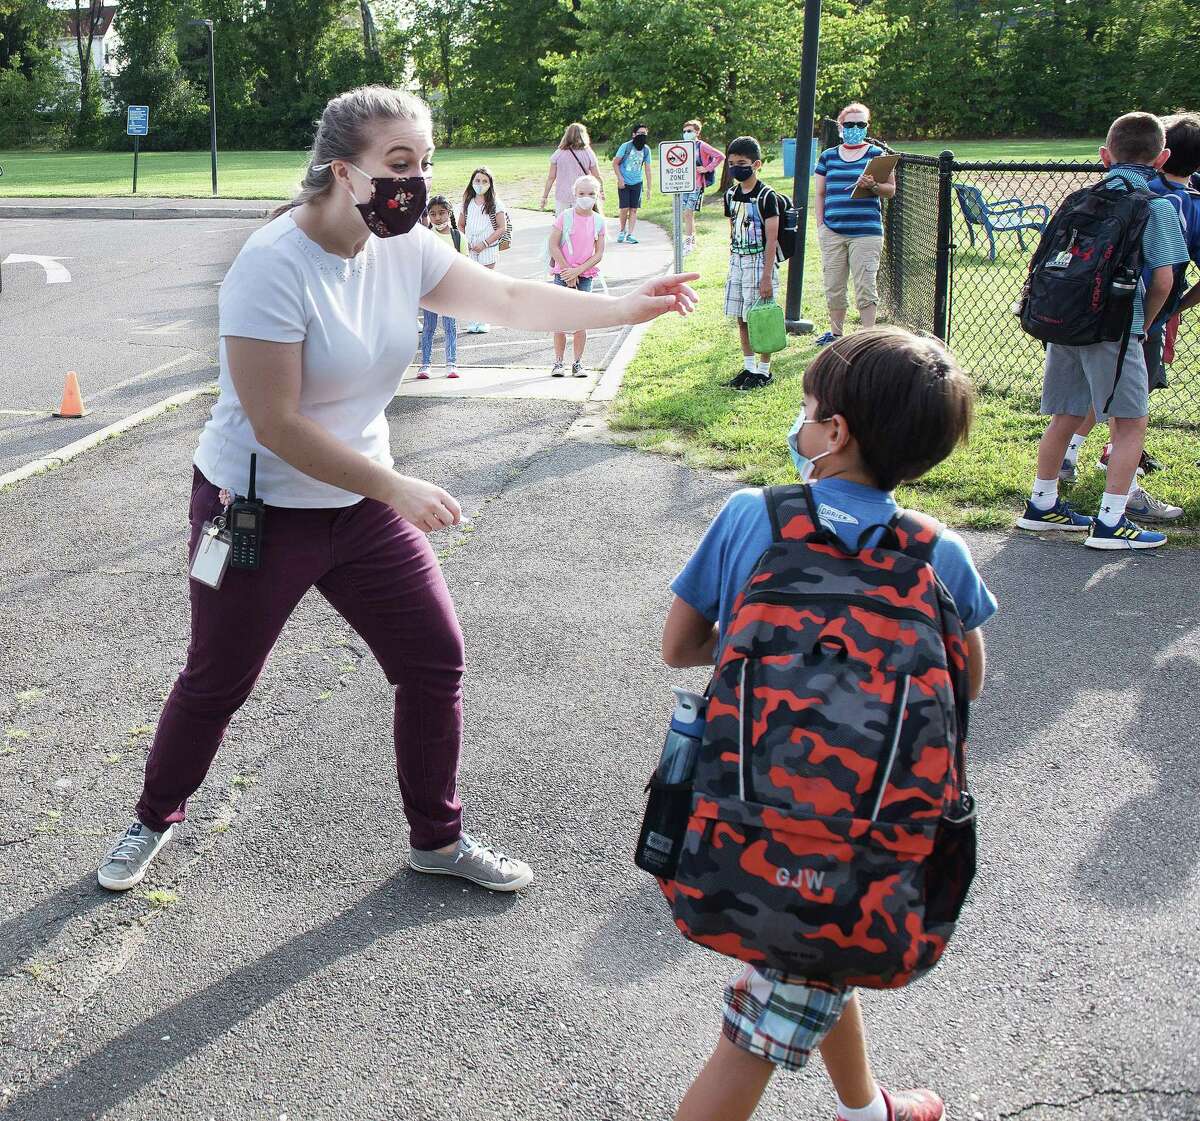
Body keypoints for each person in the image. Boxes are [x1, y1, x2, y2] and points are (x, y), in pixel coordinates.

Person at [95, 85, 699, 895]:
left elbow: (512, 297)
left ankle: (437, 839)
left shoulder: (404, 245)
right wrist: (396, 486)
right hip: (260, 510)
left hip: (361, 507)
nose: (416, 182)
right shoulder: (272, 265)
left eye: (426, 163)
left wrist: (624, 304)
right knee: (218, 679)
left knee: (433, 658)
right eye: (399, 164)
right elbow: (276, 423)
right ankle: (154, 816)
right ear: (342, 171)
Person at [663, 327, 995, 1121]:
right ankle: (867, 1109)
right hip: (868, 840)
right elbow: (969, 679)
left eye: (810, 409)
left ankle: (867, 1109)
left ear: (836, 432)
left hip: (744, 824)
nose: (802, 422)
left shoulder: (754, 516)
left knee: (769, 1015)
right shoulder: (935, 551)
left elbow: (679, 645)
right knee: (812, 963)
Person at [1017, 111, 1190, 549]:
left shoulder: (1077, 198)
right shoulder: (1155, 206)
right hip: (1114, 329)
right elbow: (1165, 282)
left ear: (1105, 155)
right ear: (1162, 156)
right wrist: (1144, 326)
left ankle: (1042, 504)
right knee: (1131, 422)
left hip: (1065, 323)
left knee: (1067, 414)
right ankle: (1111, 522)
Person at [1058, 110, 1200, 523]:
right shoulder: (1173, 204)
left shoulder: (1116, 187)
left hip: (1084, 312)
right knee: (1131, 409)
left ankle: (1066, 460)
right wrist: (1169, 311)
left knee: (1089, 391)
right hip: (1140, 318)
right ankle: (1120, 499)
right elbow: (1162, 280)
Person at [812, 103, 896, 348]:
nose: (855, 129)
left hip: (866, 233)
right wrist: (821, 226)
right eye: (850, 125)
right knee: (834, 286)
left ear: (867, 127)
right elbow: (820, 193)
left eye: (861, 124)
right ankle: (836, 335)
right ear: (841, 127)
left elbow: (890, 191)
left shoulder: (877, 156)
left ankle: (868, 338)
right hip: (833, 231)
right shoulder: (828, 156)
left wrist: (873, 186)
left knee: (865, 285)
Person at [722, 136, 783, 391]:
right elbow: (732, 228)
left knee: (762, 315)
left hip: (759, 261)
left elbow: (772, 239)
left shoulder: (767, 197)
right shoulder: (731, 194)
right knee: (741, 316)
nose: (737, 168)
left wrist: (766, 276)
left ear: (756, 164)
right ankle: (748, 367)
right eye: (732, 163)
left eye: (743, 163)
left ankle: (764, 370)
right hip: (738, 259)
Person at [548, 174, 606, 378]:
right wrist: (566, 271)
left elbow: (598, 254)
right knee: (560, 320)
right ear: (574, 194)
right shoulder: (565, 217)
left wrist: (577, 272)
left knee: (581, 321)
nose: (586, 197)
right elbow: (553, 246)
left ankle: (578, 363)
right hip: (562, 274)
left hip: (585, 275)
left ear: (597, 195)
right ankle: (558, 362)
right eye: (582, 193)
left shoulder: (599, 221)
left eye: (591, 194)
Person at [417, 194, 465, 380]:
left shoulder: (458, 237)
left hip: (450, 292)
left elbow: (464, 263)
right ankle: (425, 364)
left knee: (450, 327)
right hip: (430, 291)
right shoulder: (425, 236)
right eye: (433, 213)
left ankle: (451, 363)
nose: (438, 217)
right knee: (429, 327)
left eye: (442, 213)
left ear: (449, 213)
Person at [457, 165, 508, 334]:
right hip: (471, 249)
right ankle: (473, 319)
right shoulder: (467, 203)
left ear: (490, 184)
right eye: (477, 180)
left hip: (488, 249)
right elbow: (461, 225)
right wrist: (465, 241)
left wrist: (484, 243)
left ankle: (485, 320)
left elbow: (502, 228)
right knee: (472, 285)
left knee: (486, 284)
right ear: (472, 182)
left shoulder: (495, 204)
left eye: (484, 181)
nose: (480, 184)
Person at [679, 119, 725, 254]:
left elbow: (720, 156)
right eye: (684, 131)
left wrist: (707, 168)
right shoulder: (683, 146)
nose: (686, 134)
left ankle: (687, 242)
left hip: (697, 184)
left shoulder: (702, 145)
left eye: (689, 131)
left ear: (697, 132)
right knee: (687, 214)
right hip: (684, 184)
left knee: (688, 212)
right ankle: (692, 240)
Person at [541, 122, 604, 214]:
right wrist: (601, 191)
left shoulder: (558, 153)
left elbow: (551, 178)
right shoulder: (588, 152)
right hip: (582, 195)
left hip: (562, 196)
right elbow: (597, 176)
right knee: (583, 224)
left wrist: (545, 197)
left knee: (563, 225)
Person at [613, 123, 652, 244]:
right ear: (634, 134)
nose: (642, 135)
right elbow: (615, 163)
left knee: (634, 209)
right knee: (624, 208)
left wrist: (649, 188)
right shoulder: (626, 146)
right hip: (624, 182)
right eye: (639, 133)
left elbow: (648, 169)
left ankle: (630, 234)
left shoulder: (646, 149)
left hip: (637, 182)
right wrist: (620, 179)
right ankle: (622, 231)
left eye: (644, 134)